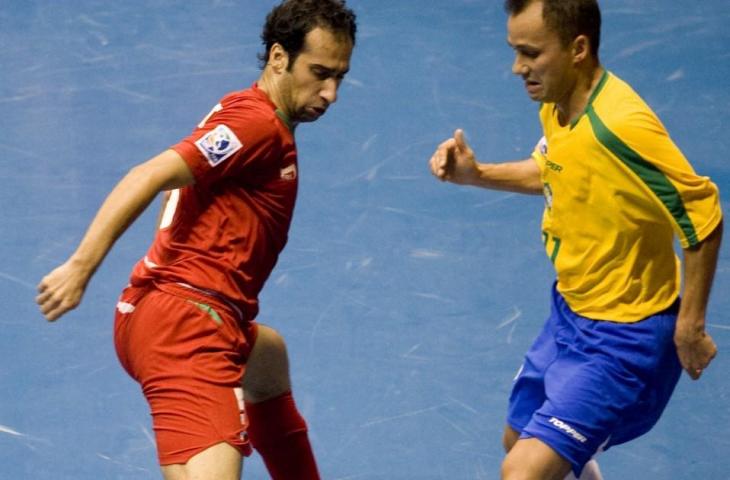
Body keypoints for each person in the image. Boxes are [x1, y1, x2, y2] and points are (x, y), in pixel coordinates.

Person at [36, 1, 356, 479]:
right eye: (319, 72)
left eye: (340, 77)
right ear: (277, 58)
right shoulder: (258, 127)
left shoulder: (245, 109)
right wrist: (80, 267)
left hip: (158, 309)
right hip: (189, 330)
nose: (330, 93)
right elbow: (147, 175)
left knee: (267, 360)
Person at [429, 0, 723, 479]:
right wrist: (476, 174)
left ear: (578, 48)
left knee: (522, 472)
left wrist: (689, 327)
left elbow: (703, 215)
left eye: (530, 53)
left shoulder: (621, 127)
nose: (517, 66)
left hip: (626, 336)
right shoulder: (557, 103)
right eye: (515, 51)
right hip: (570, 313)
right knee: (516, 441)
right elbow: (554, 171)